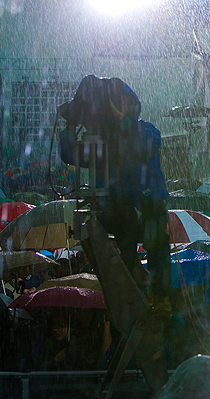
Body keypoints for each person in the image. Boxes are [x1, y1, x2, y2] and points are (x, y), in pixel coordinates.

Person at [59, 76, 171, 308]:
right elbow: (71, 155)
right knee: (121, 219)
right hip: (118, 210)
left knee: (156, 237)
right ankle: (134, 277)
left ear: (131, 103)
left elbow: (142, 146)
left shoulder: (147, 131)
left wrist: (122, 122)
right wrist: (71, 124)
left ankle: (161, 295)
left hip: (149, 205)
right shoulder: (103, 145)